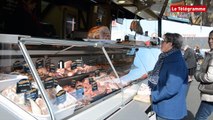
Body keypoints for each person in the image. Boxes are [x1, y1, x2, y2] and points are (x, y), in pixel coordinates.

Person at [148, 33, 188, 120]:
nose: (161, 43)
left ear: (170, 44)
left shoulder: (176, 62)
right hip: (162, 107)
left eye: (163, 41)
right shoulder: (165, 57)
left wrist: (152, 96)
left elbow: (171, 89)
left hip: (168, 111)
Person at [194, 30, 213, 120]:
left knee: (200, 117)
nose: (210, 41)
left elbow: (210, 77)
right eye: (209, 38)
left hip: (211, 96)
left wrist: (197, 75)